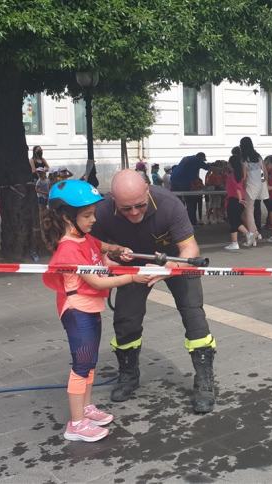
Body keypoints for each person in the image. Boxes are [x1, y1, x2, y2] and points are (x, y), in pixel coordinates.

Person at [88, 170, 218, 412]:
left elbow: (190, 248)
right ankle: (128, 374)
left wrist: (169, 268)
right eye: (127, 209)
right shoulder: (103, 212)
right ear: (113, 200)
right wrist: (110, 259)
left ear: (147, 190)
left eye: (140, 205)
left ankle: (204, 380)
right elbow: (94, 250)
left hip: (175, 262)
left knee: (194, 315)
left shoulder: (170, 205)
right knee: (126, 320)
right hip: (133, 267)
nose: (135, 213)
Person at [41, 179, 157, 442]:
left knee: (90, 362)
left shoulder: (85, 239)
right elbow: (97, 280)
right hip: (77, 311)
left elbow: (101, 257)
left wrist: (118, 254)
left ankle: (85, 407)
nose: (93, 219)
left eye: (93, 213)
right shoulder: (68, 248)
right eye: (87, 215)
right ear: (66, 217)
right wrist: (132, 277)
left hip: (90, 308)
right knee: (81, 365)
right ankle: (76, 423)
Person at [240, 138, 268, 244]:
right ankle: (255, 233)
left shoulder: (244, 159)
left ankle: (253, 235)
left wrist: (242, 187)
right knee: (249, 211)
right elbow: (264, 171)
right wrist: (263, 181)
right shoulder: (258, 156)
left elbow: (244, 176)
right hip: (259, 186)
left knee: (249, 212)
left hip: (250, 187)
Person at [170, 152, 210, 225]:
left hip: (173, 180)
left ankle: (176, 222)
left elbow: (193, 174)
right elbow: (208, 168)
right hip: (183, 182)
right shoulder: (197, 160)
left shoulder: (187, 158)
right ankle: (192, 222)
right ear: (201, 158)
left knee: (176, 203)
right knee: (191, 202)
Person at [224, 154, 250, 250]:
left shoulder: (232, 176)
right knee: (236, 221)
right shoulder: (240, 175)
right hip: (239, 200)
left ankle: (248, 234)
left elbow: (237, 188)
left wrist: (240, 199)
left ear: (231, 164)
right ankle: (235, 243)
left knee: (233, 221)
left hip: (234, 200)